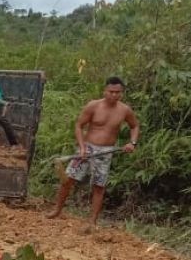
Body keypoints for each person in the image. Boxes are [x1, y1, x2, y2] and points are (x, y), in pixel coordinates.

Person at [48, 76, 140, 228]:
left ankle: (92, 221)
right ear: (105, 91)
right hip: (87, 147)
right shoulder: (93, 106)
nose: (114, 95)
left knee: (99, 185)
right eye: (111, 91)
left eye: (118, 92)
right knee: (68, 179)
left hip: (105, 152)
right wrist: (82, 147)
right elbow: (79, 125)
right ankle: (57, 209)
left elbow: (134, 126)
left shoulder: (125, 110)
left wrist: (132, 143)